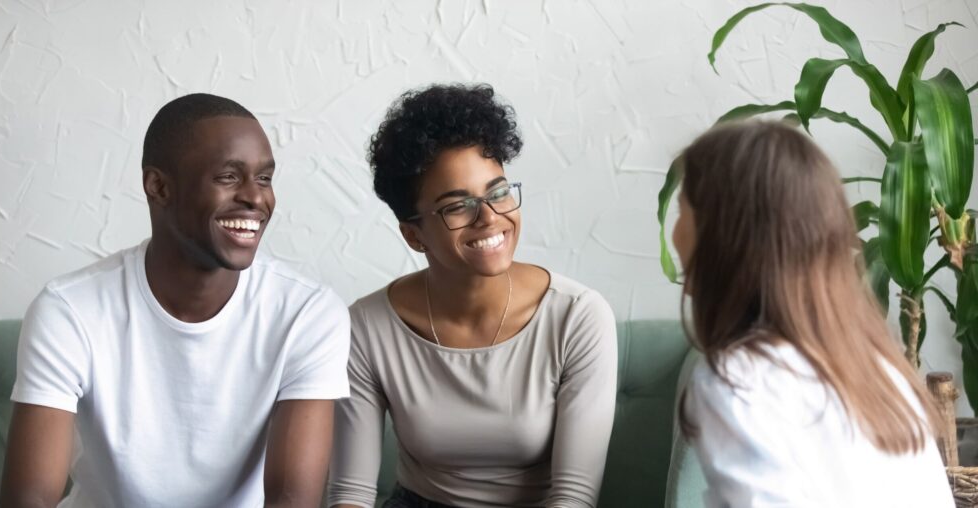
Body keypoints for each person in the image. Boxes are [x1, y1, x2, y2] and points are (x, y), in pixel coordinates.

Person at [0, 93, 351, 507]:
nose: (256, 199)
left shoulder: (306, 313)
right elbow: (29, 499)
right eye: (228, 177)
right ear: (158, 187)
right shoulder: (69, 311)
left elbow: (292, 500)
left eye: (265, 178)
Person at [326, 83, 618, 508]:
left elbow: (574, 496)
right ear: (413, 235)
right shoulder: (368, 327)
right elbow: (350, 492)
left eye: (498, 192)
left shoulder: (577, 316)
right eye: (457, 206)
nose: (490, 217)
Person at [672, 120, 954, 507]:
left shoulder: (741, 381)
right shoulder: (884, 374)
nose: (674, 232)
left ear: (724, 234)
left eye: (681, 210)